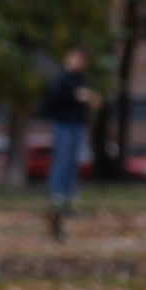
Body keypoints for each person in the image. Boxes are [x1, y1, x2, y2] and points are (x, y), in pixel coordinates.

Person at [43, 45, 95, 207]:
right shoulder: (61, 79)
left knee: (73, 161)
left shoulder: (79, 79)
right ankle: (56, 193)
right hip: (63, 124)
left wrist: (88, 101)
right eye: (75, 59)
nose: (78, 62)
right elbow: (55, 99)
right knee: (62, 159)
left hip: (75, 124)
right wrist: (78, 97)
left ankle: (69, 192)